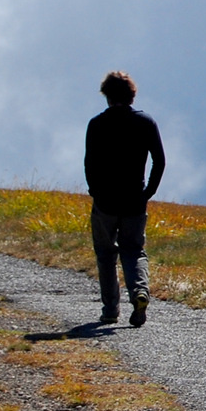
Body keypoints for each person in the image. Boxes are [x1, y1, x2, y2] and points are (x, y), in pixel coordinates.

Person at [84, 71, 165, 327]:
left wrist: (95, 191)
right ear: (132, 95)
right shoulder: (146, 122)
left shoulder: (96, 124)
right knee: (134, 251)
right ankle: (140, 293)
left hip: (105, 202)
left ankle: (110, 311)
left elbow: (90, 163)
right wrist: (148, 192)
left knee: (106, 255)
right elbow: (159, 161)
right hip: (134, 201)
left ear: (107, 96)